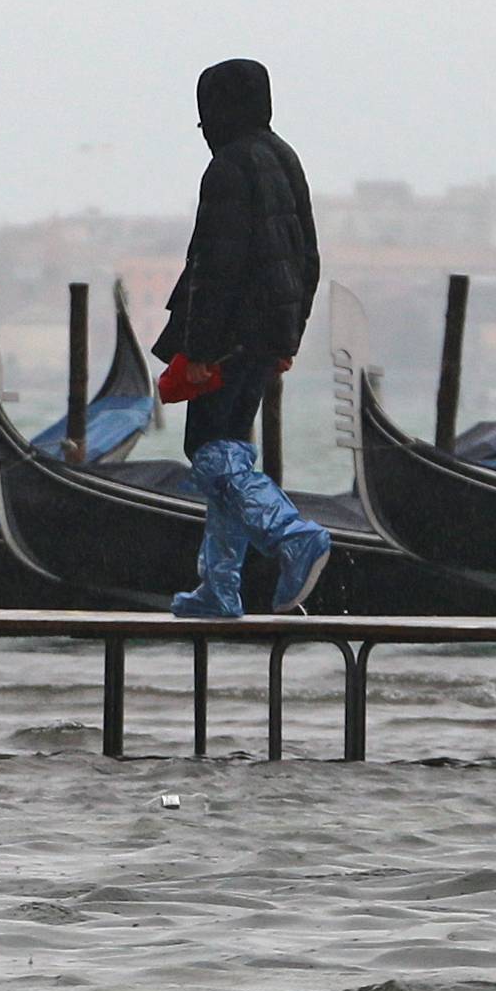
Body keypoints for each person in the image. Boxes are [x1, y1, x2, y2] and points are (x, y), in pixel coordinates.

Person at [154, 58, 331, 619]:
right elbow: (308, 258)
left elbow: (217, 266)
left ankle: (290, 535)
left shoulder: (228, 167)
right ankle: (220, 588)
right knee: (227, 448)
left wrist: (200, 351)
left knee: (207, 452)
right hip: (266, 332)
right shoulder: (284, 157)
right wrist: (290, 336)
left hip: (228, 337)